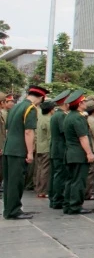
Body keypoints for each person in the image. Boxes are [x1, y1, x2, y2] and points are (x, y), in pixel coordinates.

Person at [2, 85, 49, 219]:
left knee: (10, 181)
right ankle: (13, 211)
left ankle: (9, 209)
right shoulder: (30, 108)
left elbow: (7, 130)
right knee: (16, 182)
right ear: (40, 97)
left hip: (9, 148)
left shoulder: (15, 107)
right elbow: (28, 131)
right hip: (19, 150)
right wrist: (29, 152)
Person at [63, 90, 94, 215]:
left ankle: (68, 204)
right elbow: (83, 137)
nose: (85, 103)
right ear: (79, 103)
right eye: (84, 101)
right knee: (78, 181)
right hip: (78, 153)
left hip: (70, 153)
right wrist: (89, 153)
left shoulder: (69, 116)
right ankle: (75, 206)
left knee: (70, 180)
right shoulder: (78, 117)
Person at [35, 101, 55, 199]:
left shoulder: (40, 118)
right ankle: (42, 191)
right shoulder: (48, 120)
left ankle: (38, 188)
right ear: (51, 110)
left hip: (39, 146)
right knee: (45, 170)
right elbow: (50, 137)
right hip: (46, 147)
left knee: (40, 168)